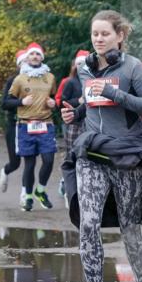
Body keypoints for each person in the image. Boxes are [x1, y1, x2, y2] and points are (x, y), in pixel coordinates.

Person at [61, 10, 142, 282]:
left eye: (105, 33)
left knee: (129, 229)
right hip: (92, 154)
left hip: (126, 157)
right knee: (88, 223)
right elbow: (92, 104)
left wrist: (114, 93)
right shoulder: (85, 68)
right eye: (95, 34)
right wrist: (77, 113)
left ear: (120, 36)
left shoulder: (133, 68)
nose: (98, 39)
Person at [9, 42, 57, 211]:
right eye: (32, 54)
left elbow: (54, 98)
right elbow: (7, 102)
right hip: (26, 126)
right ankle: (28, 196)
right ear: (27, 57)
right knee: (29, 164)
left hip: (46, 124)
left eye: (38, 54)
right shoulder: (20, 79)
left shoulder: (50, 77)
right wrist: (21, 101)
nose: (35, 57)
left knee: (49, 160)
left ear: (42, 57)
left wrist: (54, 103)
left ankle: (40, 190)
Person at [57, 49, 88, 196]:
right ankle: (66, 183)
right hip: (73, 124)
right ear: (75, 65)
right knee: (72, 154)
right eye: (79, 64)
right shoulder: (70, 82)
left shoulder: (92, 81)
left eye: (85, 63)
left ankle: (82, 186)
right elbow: (62, 103)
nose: (82, 66)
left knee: (85, 155)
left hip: (89, 124)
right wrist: (78, 101)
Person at [0, 49, 27, 199]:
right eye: (23, 62)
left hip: (31, 126)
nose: (26, 64)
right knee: (15, 163)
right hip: (14, 125)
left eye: (28, 61)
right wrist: (21, 102)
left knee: (30, 161)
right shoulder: (12, 80)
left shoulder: (39, 81)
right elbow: (4, 104)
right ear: (18, 65)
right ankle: (5, 171)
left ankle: (25, 194)